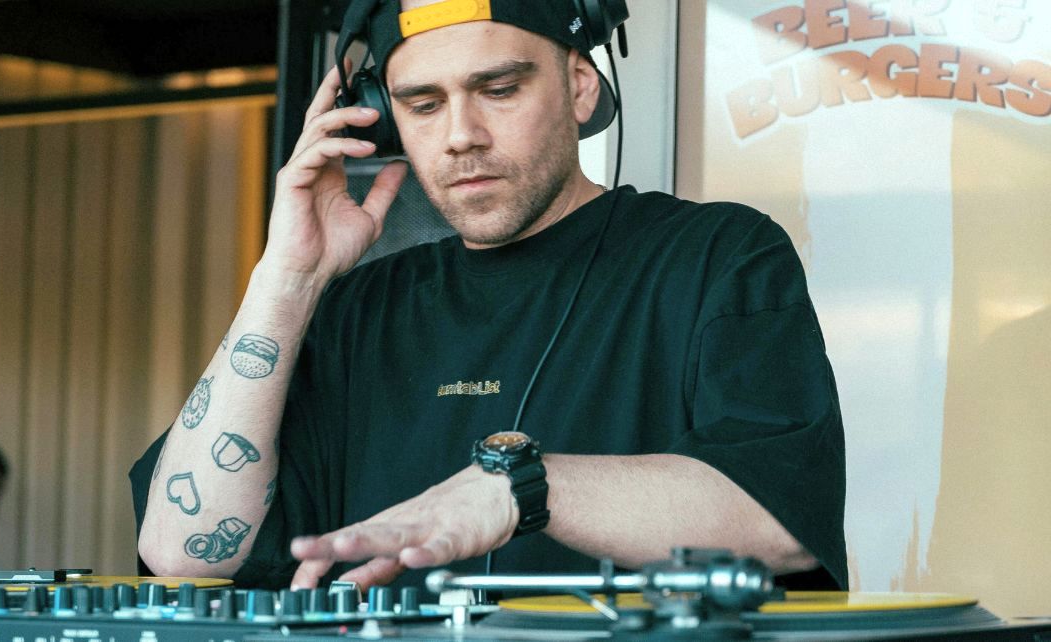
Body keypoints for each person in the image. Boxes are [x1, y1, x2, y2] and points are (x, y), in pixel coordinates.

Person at [132, 0, 847, 593]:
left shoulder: (717, 257)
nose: (460, 137)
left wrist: (519, 491)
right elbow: (185, 551)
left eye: (499, 90)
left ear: (579, 85)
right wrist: (287, 280)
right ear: (378, 119)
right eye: (421, 104)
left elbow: (776, 520)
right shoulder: (357, 311)